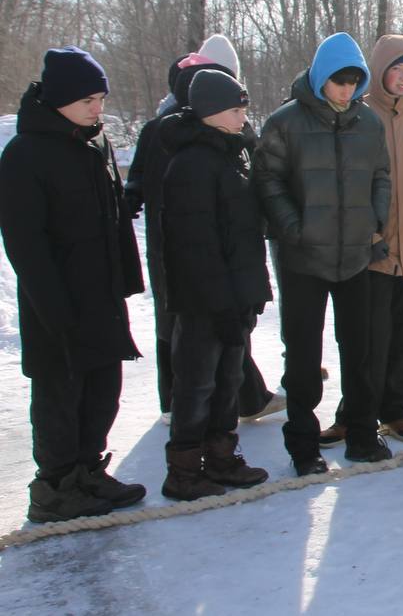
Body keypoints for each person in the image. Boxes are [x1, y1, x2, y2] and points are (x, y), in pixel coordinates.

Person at [0, 47, 147, 522]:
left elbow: (114, 215)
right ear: (60, 100)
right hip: (57, 303)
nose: (97, 108)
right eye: (88, 99)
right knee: (61, 394)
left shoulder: (95, 143)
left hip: (101, 293)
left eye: (101, 98)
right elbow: (25, 243)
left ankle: (88, 469)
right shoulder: (25, 155)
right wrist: (54, 308)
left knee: (103, 387)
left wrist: (126, 275)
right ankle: (55, 486)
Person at [252, 32, 393, 476]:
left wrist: (375, 218)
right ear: (320, 79)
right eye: (338, 82)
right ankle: (303, 446)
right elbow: (267, 180)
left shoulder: (368, 123)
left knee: (359, 349)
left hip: (354, 254)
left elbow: (382, 174)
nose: (347, 91)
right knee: (302, 354)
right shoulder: (285, 122)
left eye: (354, 82)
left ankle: (362, 436)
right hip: (302, 260)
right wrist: (294, 227)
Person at [126, 37, 283, 425]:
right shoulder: (177, 137)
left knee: (220, 336)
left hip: (211, 251)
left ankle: (236, 406)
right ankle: (186, 414)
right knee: (191, 334)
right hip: (185, 249)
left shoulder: (230, 136)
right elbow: (143, 185)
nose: (242, 115)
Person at [319, 35, 403, 448]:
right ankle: (353, 414)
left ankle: (397, 410)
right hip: (372, 251)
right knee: (366, 337)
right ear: (379, 70)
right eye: (396, 69)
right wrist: (369, 236)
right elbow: (344, 185)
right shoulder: (357, 115)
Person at [158, 69, 271, 499]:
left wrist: (249, 293)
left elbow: (243, 232)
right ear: (209, 112)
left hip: (234, 295)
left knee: (227, 380)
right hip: (204, 301)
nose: (244, 118)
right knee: (197, 382)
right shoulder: (190, 164)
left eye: (244, 109)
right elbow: (194, 245)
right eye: (236, 110)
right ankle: (184, 470)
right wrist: (219, 302)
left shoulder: (232, 155)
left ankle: (222, 457)